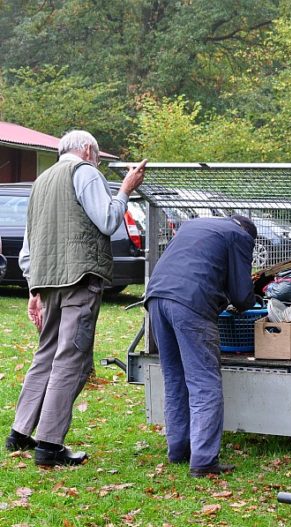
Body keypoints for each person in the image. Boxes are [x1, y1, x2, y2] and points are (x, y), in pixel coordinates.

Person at [4, 130, 147, 467]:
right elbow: (109, 220)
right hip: (80, 279)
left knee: (46, 354)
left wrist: (33, 289)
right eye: (96, 156)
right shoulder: (84, 172)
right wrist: (125, 190)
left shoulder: (41, 181)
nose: (97, 161)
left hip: (46, 280)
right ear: (87, 150)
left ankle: (20, 432)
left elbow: (29, 247)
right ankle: (50, 445)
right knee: (72, 360)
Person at [144, 214, 257, 477]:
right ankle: (204, 461)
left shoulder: (194, 224)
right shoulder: (240, 237)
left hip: (156, 298)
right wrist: (249, 302)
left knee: (174, 378)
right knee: (204, 383)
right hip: (189, 303)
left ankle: (178, 449)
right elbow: (241, 294)